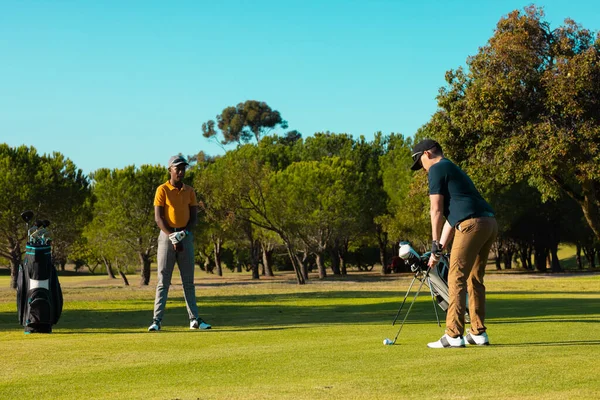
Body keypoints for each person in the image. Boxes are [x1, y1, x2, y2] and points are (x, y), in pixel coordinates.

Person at [410, 139, 497, 348]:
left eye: (420, 162)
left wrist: (432, 241)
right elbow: (451, 218)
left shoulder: (437, 169)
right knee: (474, 279)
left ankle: (453, 335)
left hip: (471, 224)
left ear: (427, 154)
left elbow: (436, 210)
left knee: (456, 276)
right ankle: (477, 333)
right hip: (488, 222)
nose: (421, 168)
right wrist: (437, 248)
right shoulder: (451, 168)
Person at [148, 155, 212, 332]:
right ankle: (157, 320)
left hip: (186, 235)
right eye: (178, 168)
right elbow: (158, 218)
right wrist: (172, 236)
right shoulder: (162, 190)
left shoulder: (190, 191)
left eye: (183, 168)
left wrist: (184, 234)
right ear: (170, 170)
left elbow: (194, 218)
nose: (181, 171)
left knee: (188, 282)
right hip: (166, 236)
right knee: (163, 281)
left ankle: (194, 319)